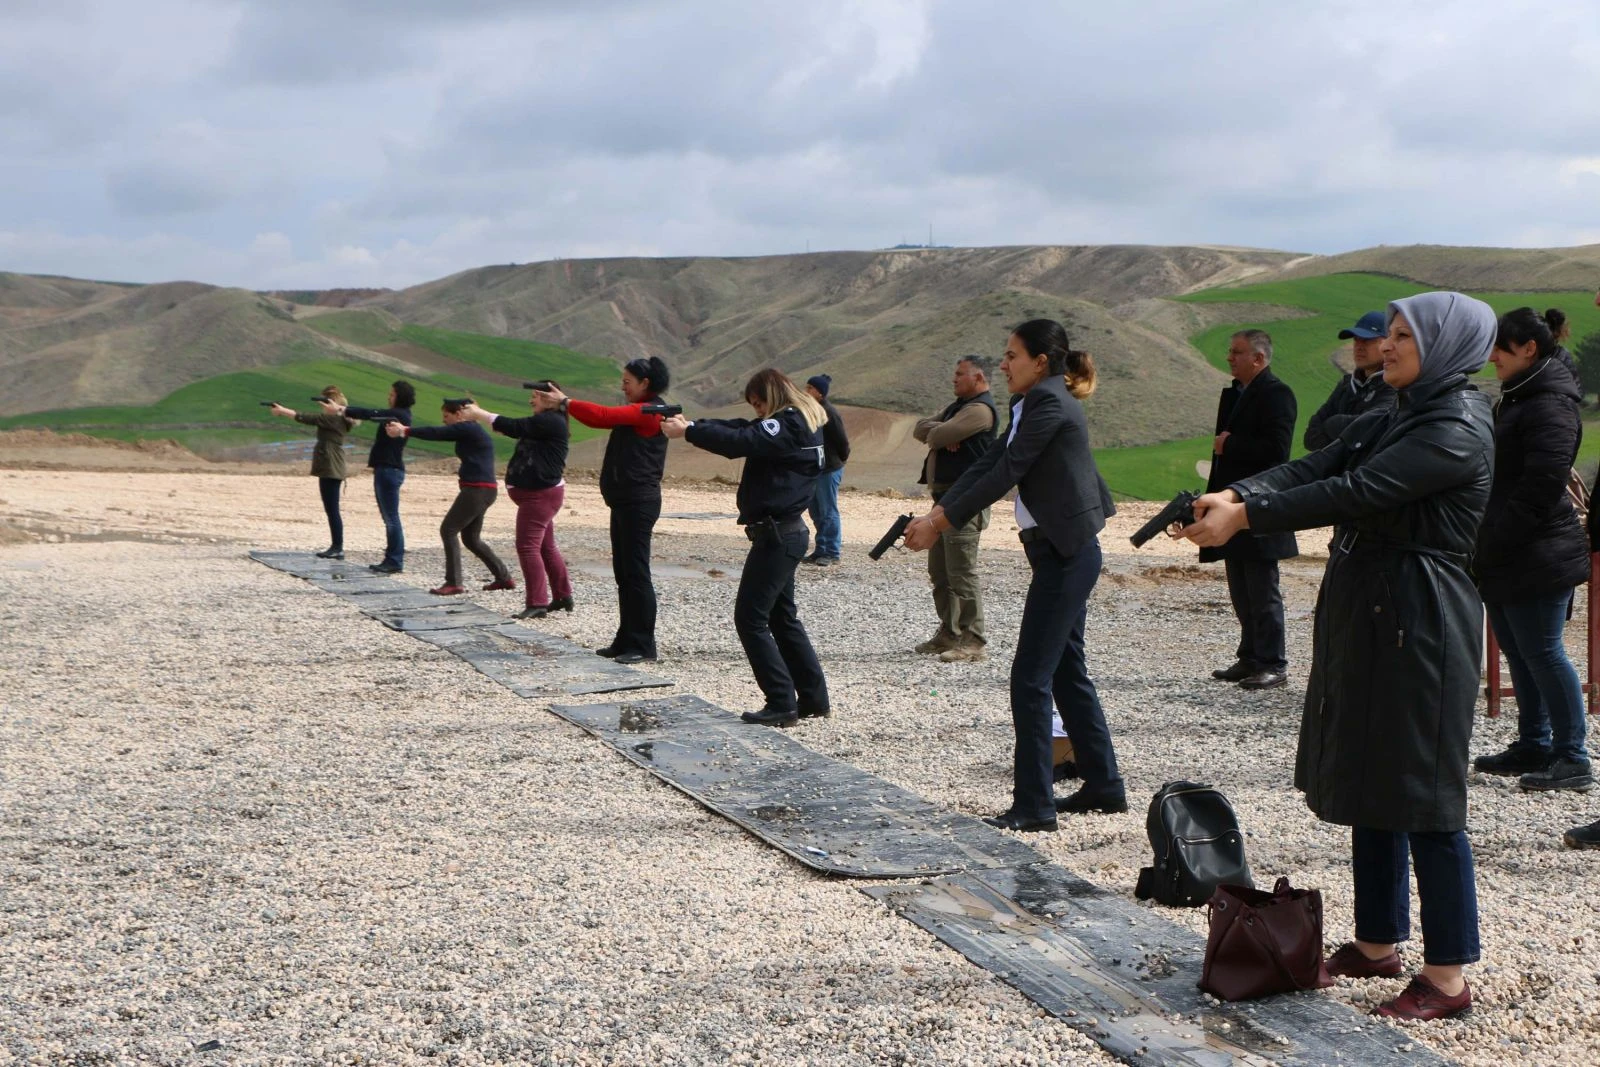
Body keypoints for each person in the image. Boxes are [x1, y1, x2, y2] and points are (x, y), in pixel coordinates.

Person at [1179, 291, 1496, 1021]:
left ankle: (1447, 977)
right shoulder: (1399, 409)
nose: (1386, 345)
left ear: (1446, 344)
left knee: (1426, 792)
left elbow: (1356, 490)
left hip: (1422, 614)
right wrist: (1232, 491)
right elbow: (1320, 460)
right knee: (1373, 776)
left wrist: (1245, 517)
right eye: (1387, 332)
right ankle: (1378, 941)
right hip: (1377, 605)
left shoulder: (1454, 425)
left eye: (1404, 335)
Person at [902, 320, 1124, 832]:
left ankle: (1034, 806)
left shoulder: (1048, 403)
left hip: (1068, 555)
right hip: (1058, 552)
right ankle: (1104, 787)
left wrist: (939, 523)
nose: (1003, 365)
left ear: (1040, 362)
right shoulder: (1033, 402)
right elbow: (989, 465)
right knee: (1066, 669)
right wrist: (938, 512)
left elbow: (1009, 471)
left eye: (1011, 356)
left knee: (1030, 677)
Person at [660, 369, 831, 727]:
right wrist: (695, 424)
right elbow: (742, 429)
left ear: (772, 397)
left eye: (759, 404)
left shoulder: (788, 423)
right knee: (782, 618)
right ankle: (813, 698)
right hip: (786, 532)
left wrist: (690, 432)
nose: (757, 412)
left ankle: (782, 702)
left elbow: (743, 441)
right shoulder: (801, 421)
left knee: (750, 618)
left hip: (777, 535)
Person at [1472, 308, 1592, 791]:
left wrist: (1495, 540)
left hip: (1536, 551)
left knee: (1544, 653)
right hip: (1509, 549)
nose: (1492, 356)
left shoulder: (1549, 403)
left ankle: (1573, 757)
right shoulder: (1522, 395)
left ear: (1529, 349)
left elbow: (1541, 486)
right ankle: (1535, 742)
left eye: (1501, 346)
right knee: (1521, 655)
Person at [533, 358, 669, 664]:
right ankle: (626, 639)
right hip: (625, 500)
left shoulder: (648, 411)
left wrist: (565, 402)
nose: (623, 387)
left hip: (638, 500)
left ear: (645, 383)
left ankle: (643, 645)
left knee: (636, 573)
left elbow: (602, 416)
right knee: (624, 573)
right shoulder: (644, 409)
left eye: (627, 382)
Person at [1203, 329, 1298, 690]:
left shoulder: (1277, 394)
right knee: (1240, 586)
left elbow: (1278, 453)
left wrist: (1232, 444)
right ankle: (1249, 658)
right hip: (1231, 504)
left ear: (1258, 358)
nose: (1229, 357)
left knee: (1261, 587)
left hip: (1260, 504)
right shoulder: (1234, 395)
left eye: (1237, 352)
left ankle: (1273, 662)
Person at [908, 355, 999, 663]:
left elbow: (935, 435)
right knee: (940, 571)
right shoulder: (955, 408)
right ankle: (949, 631)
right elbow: (921, 428)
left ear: (979, 378)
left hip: (965, 502)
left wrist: (942, 433)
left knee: (961, 572)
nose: (954, 379)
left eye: (960, 374)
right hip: (944, 501)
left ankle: (973, 638)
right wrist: (944, 431)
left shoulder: (980, 411)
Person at [385, 398, 514, 597]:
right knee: (471, 538)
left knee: (448, 529)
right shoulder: (470, 430)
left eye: (447, 416)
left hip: (477, 490)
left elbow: (437, 433)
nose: (444, 421)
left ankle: (454, 582)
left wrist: (405, 430)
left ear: (459, 414)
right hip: (482, 489)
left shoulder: (468, 428)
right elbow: (442, 432)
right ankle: (503, 577)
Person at [461, 392, 573, 620]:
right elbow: (510, 428)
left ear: (550, 399)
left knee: (527, 547)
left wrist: (479, 414)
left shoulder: (550, 421)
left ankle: (537, 602)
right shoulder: (547, 422)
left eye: (536, 397)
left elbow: (513, 426)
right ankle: (562, 596)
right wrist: (482, 414)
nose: (531, 401)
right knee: (545, 547)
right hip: (541, 495)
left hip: (539, 496)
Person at [268, 386, 357, 559]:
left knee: (332, 509)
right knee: (332, 508)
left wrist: (282, 411)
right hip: (331, 464)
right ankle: (336, 546)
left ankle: (337, 547)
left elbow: (305, 417)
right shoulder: (339, 420)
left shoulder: (333, 420)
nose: (323, 407)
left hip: (331, 465)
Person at [336, 381, 414, 574]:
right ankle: (392, 557)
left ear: (400, 396)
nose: (389, 397)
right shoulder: (402, 415)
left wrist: (343, 409)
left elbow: (372, 414)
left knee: (391, 518)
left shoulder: (398, 415)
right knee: (390, 517)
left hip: (389, 470)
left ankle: (394, 560)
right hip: (389, 469)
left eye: (392, 394)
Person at [1302, 311, 1397, 451]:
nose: (1359, 346)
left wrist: (1331, 423)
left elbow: (1371, 428)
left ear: (1387, 344)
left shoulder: (1393, 387)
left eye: (1367, 340)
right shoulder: (1346, 386)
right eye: (1356, 340)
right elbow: (1310, 438)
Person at [802, 374, 850, 566]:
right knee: (815, 510)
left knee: (828, 510)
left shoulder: (829, 412)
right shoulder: (811, 411)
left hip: (829, 469)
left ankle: (831, 551)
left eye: (810, 388)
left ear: (820, 393)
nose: (806, 392)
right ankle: (820, 549)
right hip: (815, 468)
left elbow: (842, 442)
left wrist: (838, 461)